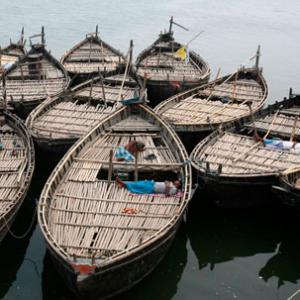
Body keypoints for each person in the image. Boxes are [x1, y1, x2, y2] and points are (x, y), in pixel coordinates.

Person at [116, 176, 182, 196]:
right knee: (139, 183)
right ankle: (124, 184)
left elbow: (167, 194)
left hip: (153, 188)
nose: (176, 181)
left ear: (178, 185)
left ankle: (123, 183)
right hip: (152, 184)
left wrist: (167, 184)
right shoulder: (172, 184)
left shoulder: (174, 189)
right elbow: (166, 183)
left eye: (177, 182)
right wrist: (167, 183)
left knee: (138, 186)